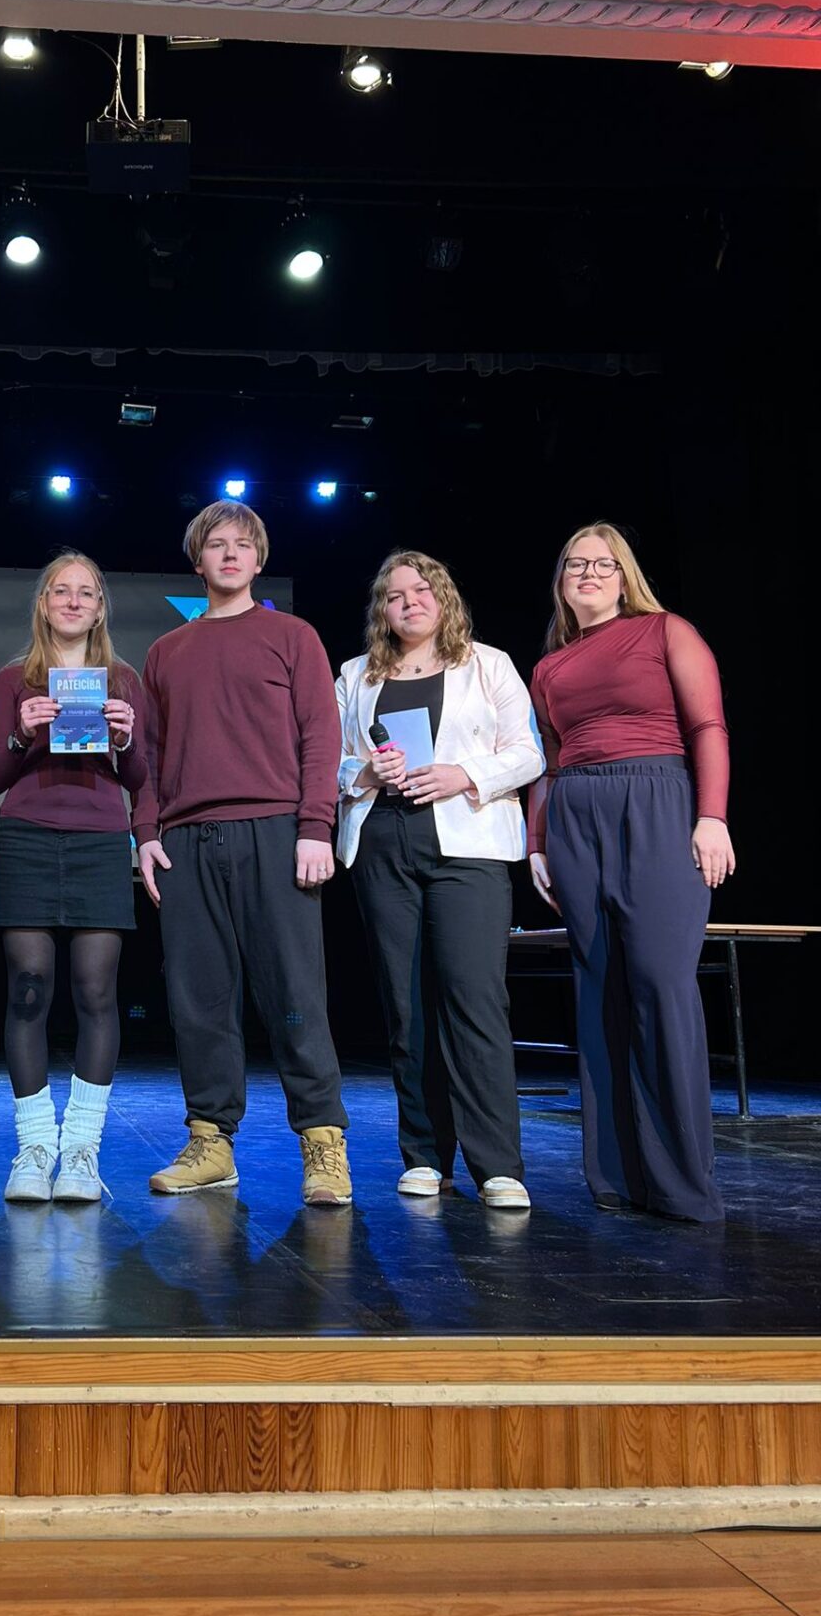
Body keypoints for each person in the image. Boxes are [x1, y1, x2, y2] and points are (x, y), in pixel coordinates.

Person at [134, 501, 352, 1207]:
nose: (230, 554)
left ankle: (323, 1143)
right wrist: (147, 834)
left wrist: (316, 826)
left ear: (259, 559)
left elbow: (321, 735)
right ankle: (210, 1143)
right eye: (216, 544)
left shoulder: (293, 636)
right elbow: (150, 756)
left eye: (243, 544)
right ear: (197, 560)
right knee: (198, 1000)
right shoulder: (167, 651)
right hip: (188, 840)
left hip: (275, 831)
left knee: (294, 995)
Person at [528, 522, 735, 1225]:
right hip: (575, 815)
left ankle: (682, 1185)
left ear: (625, 577)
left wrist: (712, 817)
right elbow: (550, 761)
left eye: (603, 564)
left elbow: (707, 727)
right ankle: (617, 1178)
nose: (588, 574)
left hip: (656, 801)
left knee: (660, 984)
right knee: (600, 991)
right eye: (575, 564)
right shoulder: (550, 667)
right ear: (561, 581)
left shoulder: (666, 630)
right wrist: (537, 843)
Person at [335, 551, 543, 1210]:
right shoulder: (355, 676)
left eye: (421, 590)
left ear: (443, 598)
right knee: (406, 1004)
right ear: (382, 610)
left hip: (467, 844)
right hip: (383, 842)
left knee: (474, 998)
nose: (409, 602)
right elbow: (330, 761)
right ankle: (425, 1157)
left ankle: (497, 1165)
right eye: (395, 595)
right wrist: (364, 773)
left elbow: (529, 753)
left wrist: (464, 774)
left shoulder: (489, 665)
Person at [0, 552, 146, 1204]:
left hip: (100, 839)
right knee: (28, 989)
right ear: (44, 604)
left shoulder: (123, 680)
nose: (73, 601)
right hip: (28, 836)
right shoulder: (13, 679)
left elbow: (139, 778)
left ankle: (80, 1150)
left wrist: (126, 740)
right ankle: (34, 1148)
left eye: (86, 593)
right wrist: (23, 734)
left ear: (101, 607)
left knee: (95, 991)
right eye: (61, 591)